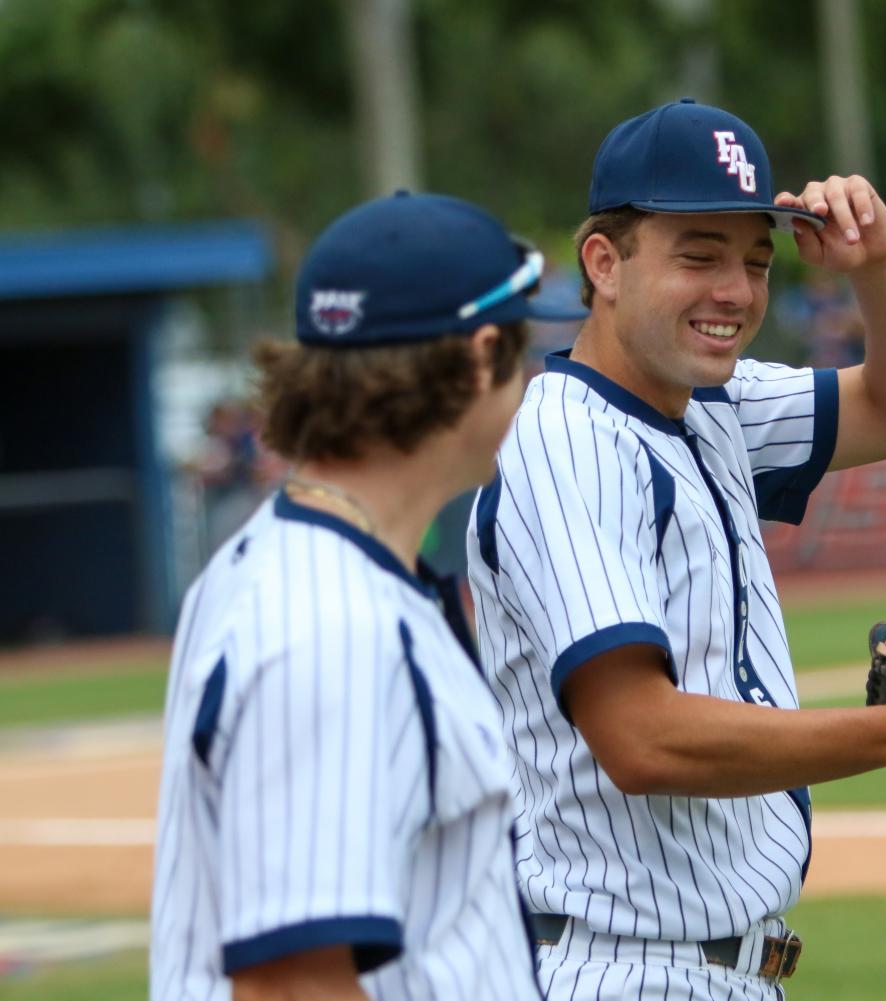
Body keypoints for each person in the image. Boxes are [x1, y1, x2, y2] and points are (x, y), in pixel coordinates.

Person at [466, 98, 886, 998]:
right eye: (698, 255)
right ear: (604, 262)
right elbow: (641, 738)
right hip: (614, 963)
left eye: (755, 260)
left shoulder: (712, 407)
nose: (734, 289)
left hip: (706, 968)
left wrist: (877, 264)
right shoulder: (564, 444)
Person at [150, 192, 585, 1001]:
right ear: (480, 355)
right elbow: (292, 984)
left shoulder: (280, 565)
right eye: (522, 351)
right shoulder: (331, 624)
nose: (529, 378)